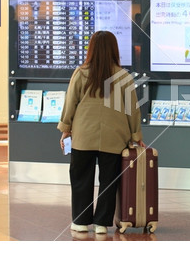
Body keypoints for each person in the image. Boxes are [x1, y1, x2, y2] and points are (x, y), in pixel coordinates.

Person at [58, 31, 145, 234]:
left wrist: (65, 129)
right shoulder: (124, 76)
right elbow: (132, 109)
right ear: (114, 50)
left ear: (91, 49)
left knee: (81, 178)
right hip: (115, 136)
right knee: (109, 180)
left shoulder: (81, 73)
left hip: (83, 136)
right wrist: (136, 137)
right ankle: (101, 224)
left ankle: (80, 221)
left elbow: (71, 103)